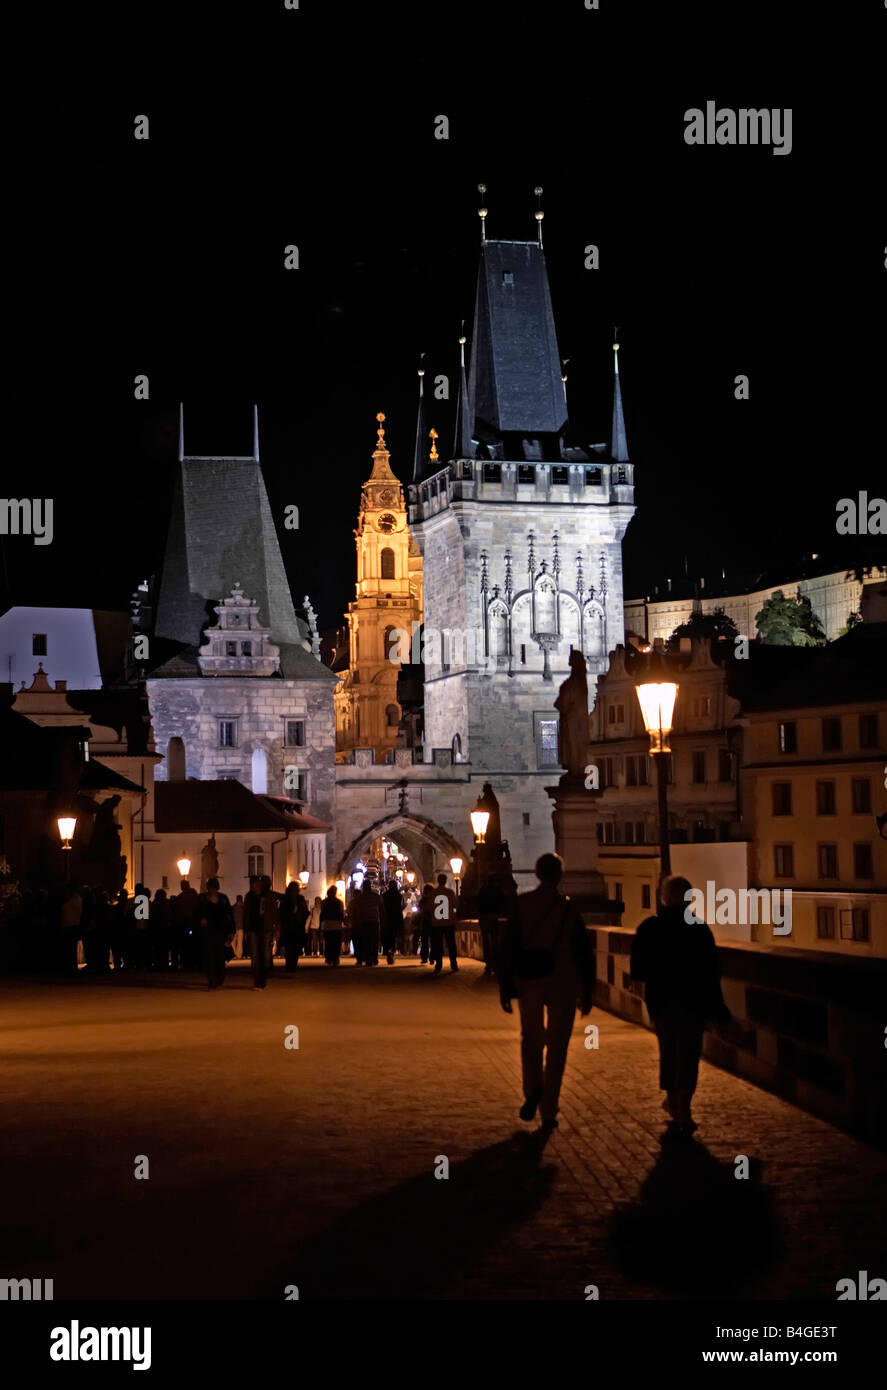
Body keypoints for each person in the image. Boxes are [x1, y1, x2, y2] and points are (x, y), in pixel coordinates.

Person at [498, 853, 594, 1132]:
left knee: (531, 1038)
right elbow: (583, 953)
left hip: (530, 979)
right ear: (560, 875)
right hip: (563, 980)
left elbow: (508, 948)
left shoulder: (522, 904)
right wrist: (587, 990)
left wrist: (506, 986)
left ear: (538, 874)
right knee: (557, 1045)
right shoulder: (569, 908)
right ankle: (549, 1107)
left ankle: (533, 1090)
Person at [630, 874, 731, 1137]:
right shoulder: (699, 929)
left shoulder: (650, 927)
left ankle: (673, 1101)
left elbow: (638, 969)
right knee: (688, 1054)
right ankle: (684, 1108)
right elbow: (711, 973)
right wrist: (718, 1010)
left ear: (664, 897)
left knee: (668, 1051)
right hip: (693, 1002)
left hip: (662, 1001)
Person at [197, 877, 234, 989]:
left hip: (221, 931)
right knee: (210, 957)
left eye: (214, 888)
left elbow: (229, 915)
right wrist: (201, 920)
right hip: (208, 931)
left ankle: (219, 977)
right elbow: (197, 913)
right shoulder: (202, 899)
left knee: (220, 957)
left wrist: (231, 931)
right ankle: (212, 981)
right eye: (210, 888)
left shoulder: (223, 899)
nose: (212, 890)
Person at [429, 872, 458, 974]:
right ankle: (453, 963)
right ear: (445, 881)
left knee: (438, 944)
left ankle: (439, 964)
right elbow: (455, 905)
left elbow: (430, 907)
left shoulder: (433, 893)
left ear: (438, 881)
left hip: (436, 922)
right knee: (451, 944)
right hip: (448, 922)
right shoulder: (450, 892)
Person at [349, 879, 382, 966]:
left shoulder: (359, 898)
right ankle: (374, 958)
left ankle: (367, 959)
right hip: (374, 921)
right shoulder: (376, 897)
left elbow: (355, 911)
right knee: (374, 941)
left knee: (365, 941)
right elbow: (382, 910)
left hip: (362, 922)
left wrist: (354, 921)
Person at [280, 882, 309, 971]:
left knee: (295, 947)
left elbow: (305, 911)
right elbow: (281, 912)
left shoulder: (300, 899)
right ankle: (290, 965)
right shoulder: (286, 899)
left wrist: (301, 918)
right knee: (290, 947)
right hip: (289, 926)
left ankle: (292, 965)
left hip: (297, 925)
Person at [244, 876, 267, 989]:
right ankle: (257, 979)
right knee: (255, 955)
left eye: (256, 884)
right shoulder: (249, 896)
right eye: (252, 884)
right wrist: (246, 930)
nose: (254, 886)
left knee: (264, 955)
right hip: (253, 929)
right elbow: (247, 913)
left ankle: (261, 978)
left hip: (264, 928)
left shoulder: (265, 895)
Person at [320, 885, 345, 965]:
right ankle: (335, 958)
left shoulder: (324, 902)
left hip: (328, 925)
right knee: (336, 943)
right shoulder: (339, 902)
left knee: (328, 942)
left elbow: (322, 914)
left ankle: (329, 958)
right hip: (336, 925)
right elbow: (342, 914)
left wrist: (321, 925)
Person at [381, 881, 403, 965]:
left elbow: (382, 907)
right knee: (394, 936)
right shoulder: (399, 896)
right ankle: (392, 950)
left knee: (387, 935)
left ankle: (388, 950)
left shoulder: (384, 895)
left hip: (387, 917)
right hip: (396, 917)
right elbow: (400, 907)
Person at [416, 884, 435, 964]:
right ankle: (432, 957)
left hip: (425, 922)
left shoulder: (423, 900)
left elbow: (419, 909)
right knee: (433, 940)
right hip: (433, 922)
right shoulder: (435, 899)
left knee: (424, 941)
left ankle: (424, 957)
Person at [231, 894, 245, 960]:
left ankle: (235, 954)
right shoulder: (244, 908)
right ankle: (238, 955)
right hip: (241, 927)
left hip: (235, 927)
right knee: (239, 942)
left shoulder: (233, 907)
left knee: (233, 942)